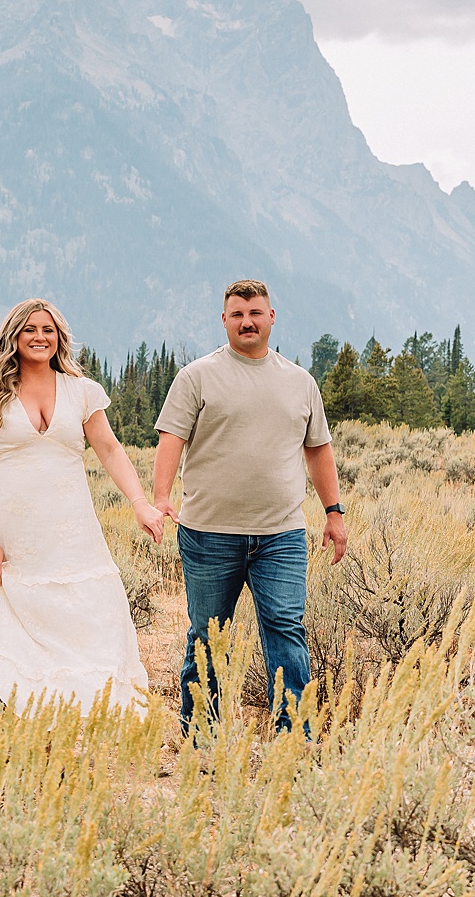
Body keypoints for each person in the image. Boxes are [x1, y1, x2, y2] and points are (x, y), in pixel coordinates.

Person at [153, 279, 347, 731]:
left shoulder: (299, 383)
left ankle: (294, 735)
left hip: (281, 534)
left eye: (255, 313)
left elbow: (318, 449)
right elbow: (171, 439)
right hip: (209, 534)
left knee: (285, 629)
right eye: (237, 314)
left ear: (271, 317)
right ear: (224, 320)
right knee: (207, 634)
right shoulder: (197, 376)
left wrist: (333, 512)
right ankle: (201, 734)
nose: (247, 322)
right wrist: (161, 497)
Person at [0, 297, 166, 711]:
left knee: (89, 616)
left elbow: (108, 449)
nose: (39, 337)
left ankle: (83, 715)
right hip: (14, 538)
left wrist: (140, 503)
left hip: (73, 534)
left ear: (59, 338)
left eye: (47, 330)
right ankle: (19, 725)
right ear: (13, 337)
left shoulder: (82, 392)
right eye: (30, 329)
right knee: (16, 629)